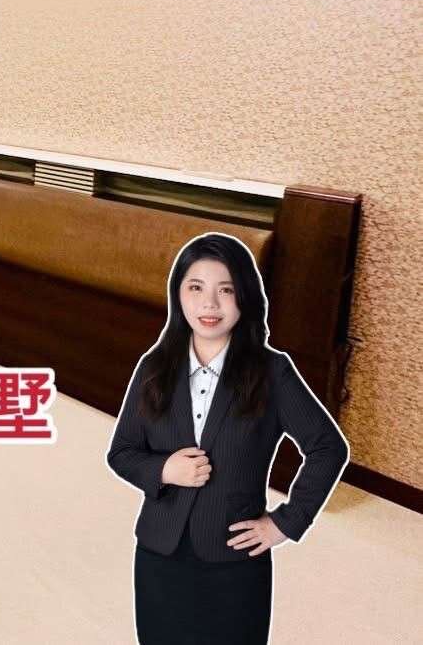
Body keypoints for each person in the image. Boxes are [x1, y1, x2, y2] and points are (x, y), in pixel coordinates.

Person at [105, 232, 349, 644]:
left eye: (226, 290)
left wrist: (286, 523)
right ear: (178, 295)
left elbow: (328, 447)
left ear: (245, 298)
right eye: (196, 288)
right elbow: (122, 452)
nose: (209, 304)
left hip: (236, 560)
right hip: (159, 554)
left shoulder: (272, 372)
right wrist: (163, 469)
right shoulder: (154, 367)